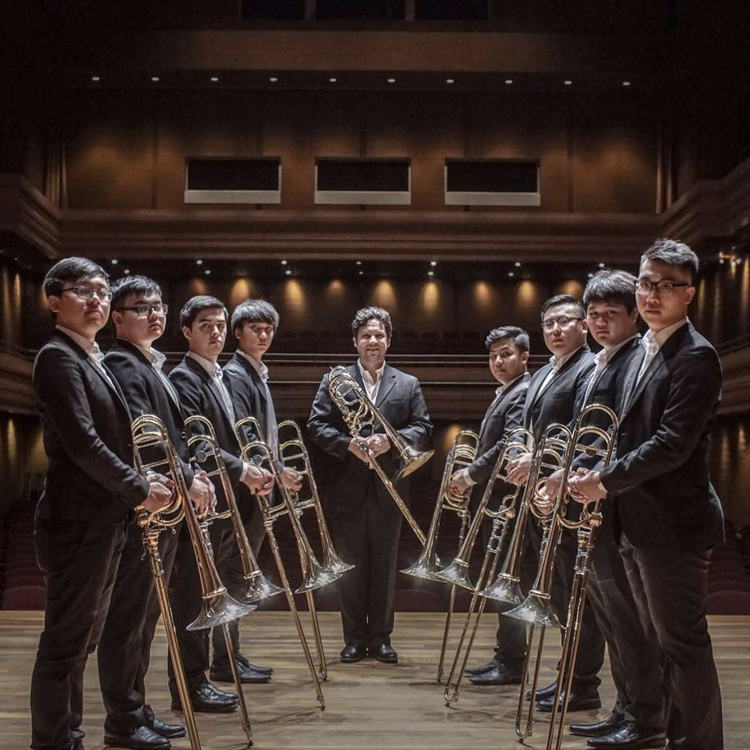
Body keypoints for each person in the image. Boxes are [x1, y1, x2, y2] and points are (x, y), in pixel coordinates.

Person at [570, 239, 724, 750]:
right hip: (638, 521)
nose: (652, 295)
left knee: (682, 646)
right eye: (645, 283)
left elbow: (672, 445)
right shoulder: (646, 350)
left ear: (689, 294)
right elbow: (626, 434)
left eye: (667, 286)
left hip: (674, 525)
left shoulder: (696, 356)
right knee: (656, 642)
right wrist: (587, 468)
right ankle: (652, 727)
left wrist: (605, 480)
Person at [30, 258, 171, 750]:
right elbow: (82, 443)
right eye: (83, 292)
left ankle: (70, 735)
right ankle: (53, 741)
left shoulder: (87, 355)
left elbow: (115, 437)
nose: (96, 300)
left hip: (104, 519)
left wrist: (142, 474)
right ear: (54, 302)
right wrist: (139, 488)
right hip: (77, 522)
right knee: (65, 645)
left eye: (102, 293)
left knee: (83, 641)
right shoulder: (57, 356)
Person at [546, 270, 666, 748]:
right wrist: (565, 470)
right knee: (613, 620)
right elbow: (586, 432)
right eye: (593, 314)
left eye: (609, 315)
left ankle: (646, 720)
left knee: (629, 623)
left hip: (616, 510)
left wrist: (584, 473)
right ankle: (625, 709)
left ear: (632, 316)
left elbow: (625, 438)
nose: (599, 323)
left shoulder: (634, 360)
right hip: (590, 504)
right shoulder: (599, 362)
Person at [98, 275, 214, 750]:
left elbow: (176, 437)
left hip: (166, 504)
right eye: (141, 307)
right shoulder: (125, 365)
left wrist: (193, 474)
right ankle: (122, 720)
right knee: (129, 619)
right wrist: (187, 477)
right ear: (117, 318)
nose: (154, 313)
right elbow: (143, 438)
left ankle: (138, 706)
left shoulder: (150, 364)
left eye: (158, 305)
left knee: (147, 616)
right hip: (145, 511)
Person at [307, 306, 433, 664]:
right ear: (355, 341)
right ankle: (353, 639)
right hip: (347, 488)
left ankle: (381, 638)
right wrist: (349, 444)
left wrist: (389, 441)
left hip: (390, 488)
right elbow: (317, 426)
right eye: (366, 336)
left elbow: (422, 428)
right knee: (351, 567)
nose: (372, 341)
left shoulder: (407, 384)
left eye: (379, 335)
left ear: (388, 341)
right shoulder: (334, 379)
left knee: (383, 567)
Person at [168, 296, 274, 711]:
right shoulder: (185, 377)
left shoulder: (216, 377)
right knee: (196, 596)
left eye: (219, 324)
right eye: (205, 324)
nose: (215, 331)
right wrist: (244, 470)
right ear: (187, 332)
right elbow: (199, 442)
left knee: (221, 586)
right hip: (206, 501)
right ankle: (189, 684)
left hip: (226, 499)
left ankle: (220, 662)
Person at [504, 294, 605, 713]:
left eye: (565, 321)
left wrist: (542, 460)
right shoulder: (546, 371)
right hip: (542, 496)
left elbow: (587, 433)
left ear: (584, 326)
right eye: (548, 324)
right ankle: (567, 675)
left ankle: (582, 685)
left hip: (570, 493)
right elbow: (532, 427)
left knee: (577, 594)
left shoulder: (588, 367)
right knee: (560, 592)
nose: (556, 330)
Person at [214, 298, 302, 682]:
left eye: (268, 329)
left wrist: (280, 470)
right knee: (235, 573)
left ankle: (231, 654)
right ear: (238, 333)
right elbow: (245, 434)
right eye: (255, 328)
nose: (263, 335)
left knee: (242, 572)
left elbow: (261, 437)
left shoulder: (254, 372)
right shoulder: (236, 374)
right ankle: (224, 660)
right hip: (245, 488)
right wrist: (271, 471)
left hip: (259, 483)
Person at [447, 326, 531, 686]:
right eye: (494, 355)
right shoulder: (506, 392)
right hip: (496, 500)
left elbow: (507, 445)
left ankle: (512, 664)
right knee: (499, 582)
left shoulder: (522, 393)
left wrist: (469, 475)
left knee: (505, 581)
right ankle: (506, 656)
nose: (498, 361)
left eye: (506, 354)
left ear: (524, 357)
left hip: (506, 501)